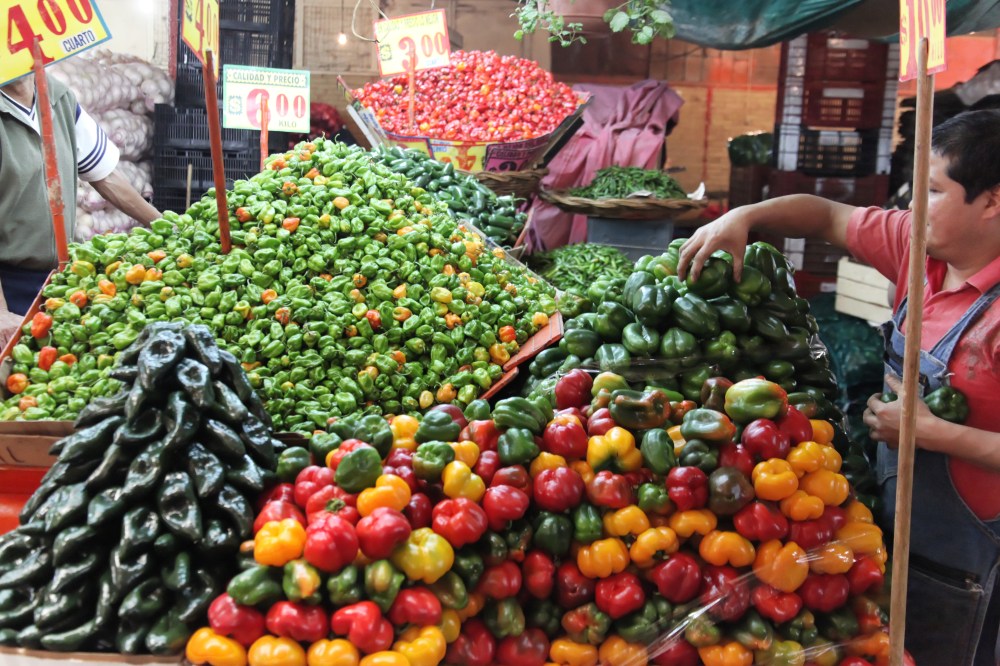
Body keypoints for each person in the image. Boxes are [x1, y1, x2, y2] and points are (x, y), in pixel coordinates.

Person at [678, 108, 1000, 666]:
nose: (913, 204)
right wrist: (743, 217)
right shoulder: (917, 249)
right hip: (892, 524)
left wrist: (935, 434)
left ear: (993, 201)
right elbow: (826, 215)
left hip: (968, 555)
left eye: (934, 190)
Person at [0, 73, 161, 346]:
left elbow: (104, 175)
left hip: (59, 278)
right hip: (8, 283)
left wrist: (162, 223)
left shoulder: (57, 95)